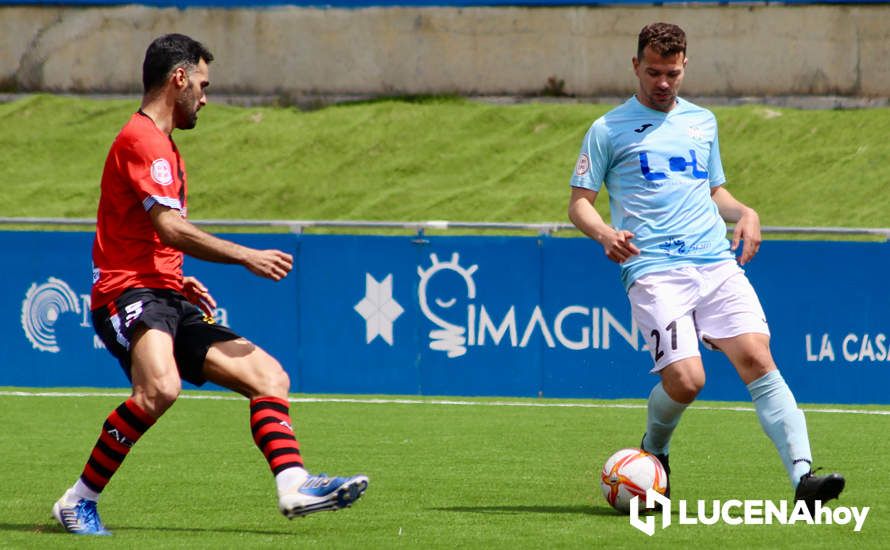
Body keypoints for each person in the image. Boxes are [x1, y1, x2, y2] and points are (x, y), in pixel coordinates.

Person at [52, 33, 368, 536]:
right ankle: (78, 502)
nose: (205, 96)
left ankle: (293, 484)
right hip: (127, 293)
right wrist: (245, 256)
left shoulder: (164, 147)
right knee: (159, 389)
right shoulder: (142, 140)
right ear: (177, 78)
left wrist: (177, 276)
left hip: (164, 293)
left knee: (270, 378)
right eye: (202, 84)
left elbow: (153, 235)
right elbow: (170, 228)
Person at [567, 22, 844, 511]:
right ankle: (655, 449)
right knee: (688, 382)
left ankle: (804, 478)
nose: (663, 82)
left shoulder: (703, 122)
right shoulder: (607, 129)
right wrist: (604, 233)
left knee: (758, 357)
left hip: (714, 262)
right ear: (636, 66)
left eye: (672, 72)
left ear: (685, 67)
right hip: (653, 268)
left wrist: (747, 213)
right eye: (653, 72)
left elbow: (715, 191)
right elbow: (580, 203)